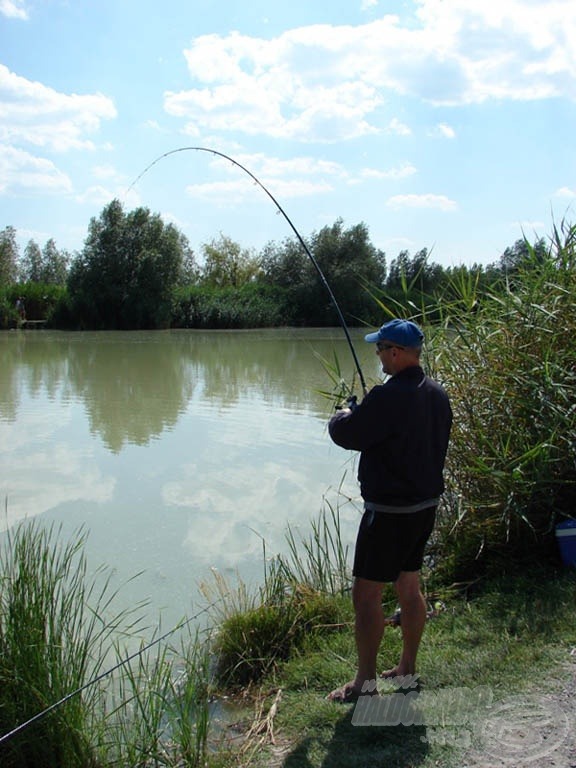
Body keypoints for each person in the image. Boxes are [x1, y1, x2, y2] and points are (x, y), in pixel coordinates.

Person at [326, 318, 452, 703]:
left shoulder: (387, 396)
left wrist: (342, 414)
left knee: (365, 596)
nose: (378, 355)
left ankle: (364, 684)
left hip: (388, 512)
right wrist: (367, 412)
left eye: (380, 349)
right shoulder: (437, 393)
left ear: (395, 352)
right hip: (424, 508)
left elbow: (348, 434)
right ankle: (408, 666)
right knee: (409, 587)